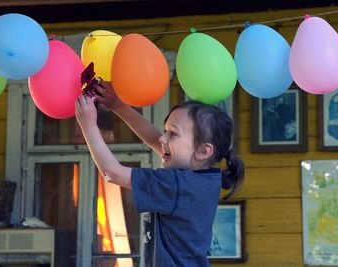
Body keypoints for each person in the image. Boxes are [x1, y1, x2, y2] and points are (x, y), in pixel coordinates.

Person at [75, 81, 244, 267]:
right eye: (166, 130)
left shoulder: (176, 184)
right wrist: (118, 106)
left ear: (204, 150)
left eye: (173, 133)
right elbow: (154, 139)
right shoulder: (204, 179)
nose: (163, 138)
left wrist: (88, 125)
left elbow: (112, 173)